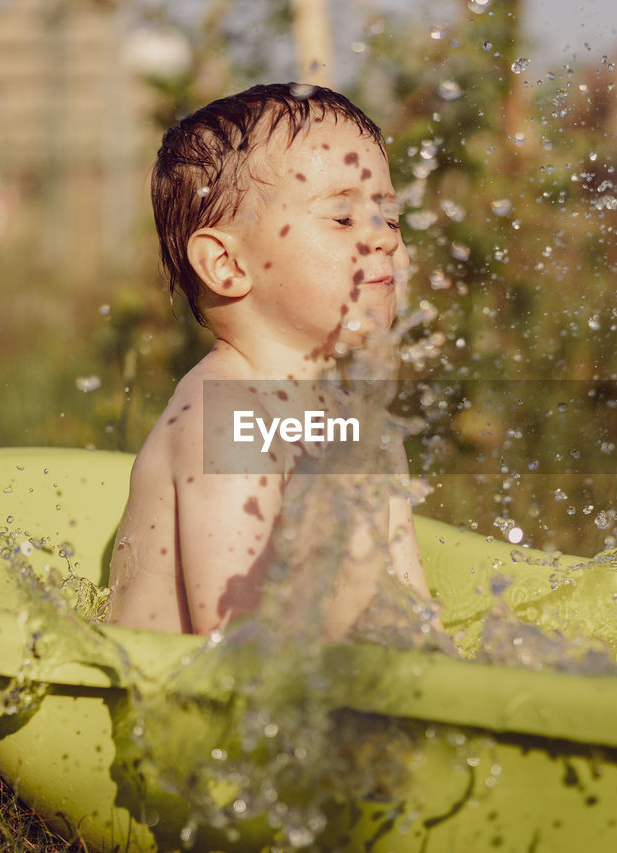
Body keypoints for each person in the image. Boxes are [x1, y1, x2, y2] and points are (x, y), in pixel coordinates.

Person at [106, 83, 433, 639]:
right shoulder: (229, 419)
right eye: (343, 219)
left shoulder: (364, 426)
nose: (383, 240)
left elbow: (411, 609)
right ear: (228, 264)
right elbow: (241, 643)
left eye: (390, 218)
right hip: (176, 708)